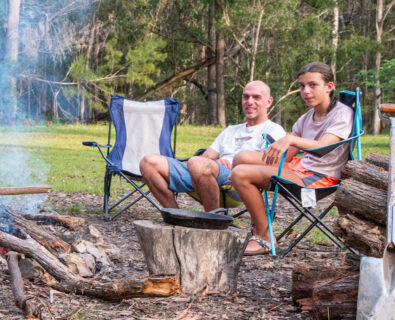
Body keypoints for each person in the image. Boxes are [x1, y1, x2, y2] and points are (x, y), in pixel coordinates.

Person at [230, 62, 354, 256]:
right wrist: (273, 151)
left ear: (329, 86)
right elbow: (287, 157)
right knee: (241, 157)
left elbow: (325, 146)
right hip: (299, 169)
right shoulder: (306, 118)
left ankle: (264, 237)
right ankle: (258, 220)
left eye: (313, 85)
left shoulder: (342, 114)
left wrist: (289, 139)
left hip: (318, 178)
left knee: (240, 174)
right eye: (302, 86)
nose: (306, 91)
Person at [139, 81, 286, 212]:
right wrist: (214, 163)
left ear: (269, 101)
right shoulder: (231, 130)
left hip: (237, 179)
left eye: (256, 97)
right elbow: (206, 157)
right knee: (149, 162)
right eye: (246, 97)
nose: (249, 101)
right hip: (207, 172)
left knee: (197, 163)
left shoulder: (273, 130)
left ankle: (214, 220)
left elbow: (270, 165)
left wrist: (235, 165)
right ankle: (175, 214)